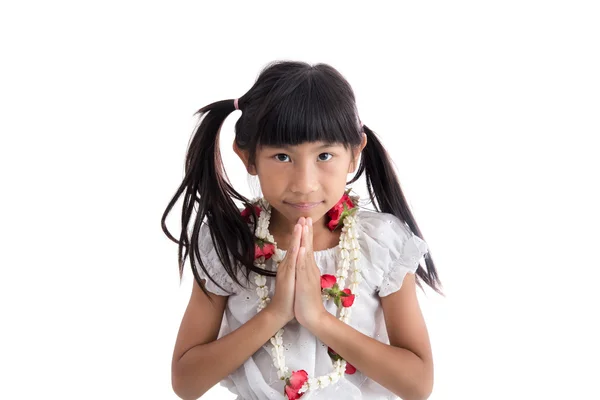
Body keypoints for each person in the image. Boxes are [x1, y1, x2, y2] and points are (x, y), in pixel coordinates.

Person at [162, 60, 443, 400]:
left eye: (324, 155)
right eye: (282, 157)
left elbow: (418, 385)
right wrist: (276, 312)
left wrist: (318, 318)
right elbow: (186, 383)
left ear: (355, 154)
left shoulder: (380, 243)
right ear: (248, 157)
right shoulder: (229, 241)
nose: (305, 184)